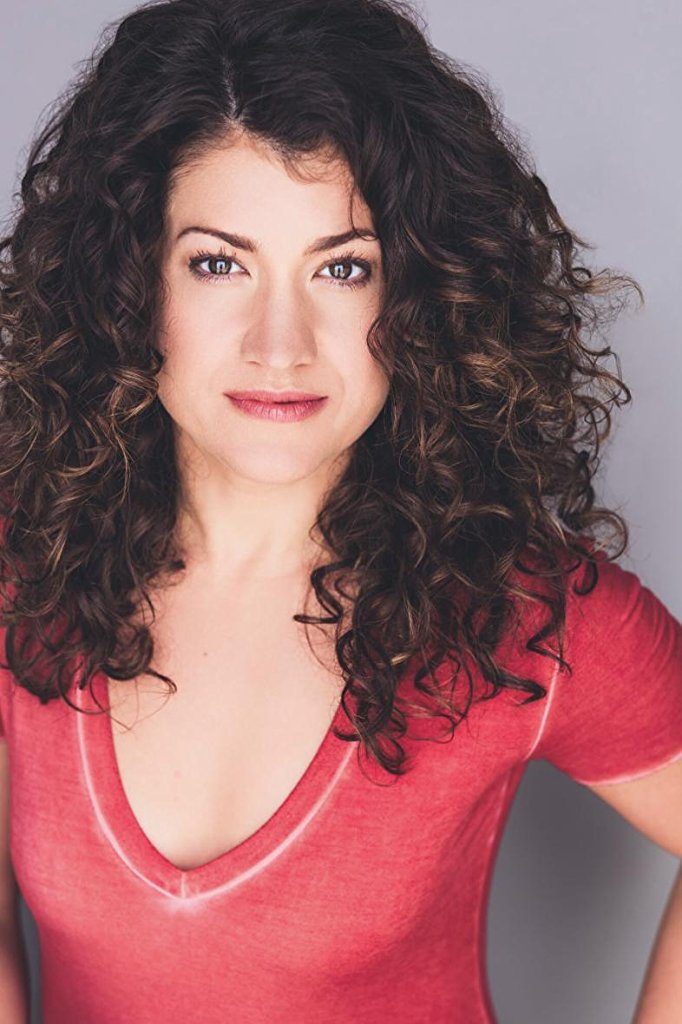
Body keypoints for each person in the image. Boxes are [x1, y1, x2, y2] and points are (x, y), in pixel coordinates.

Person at [0, 0, 680, 1021]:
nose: (281, 344)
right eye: (219, 263)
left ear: (419, 295)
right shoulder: (24, 566)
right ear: (126, 282)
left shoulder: (529, 617)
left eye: (343, 268)